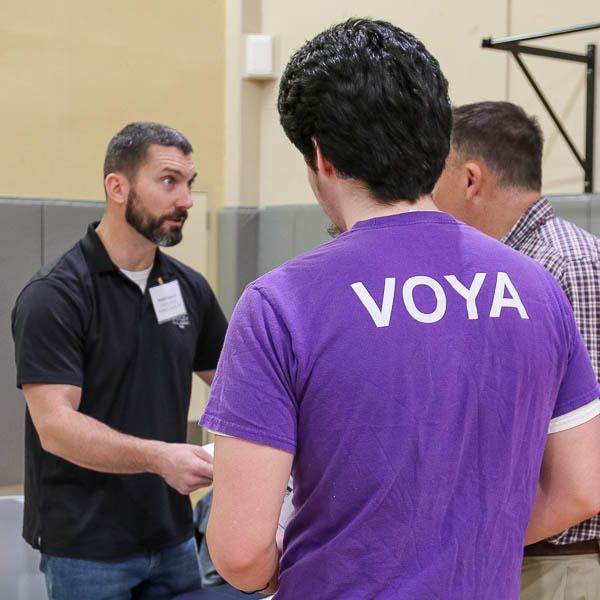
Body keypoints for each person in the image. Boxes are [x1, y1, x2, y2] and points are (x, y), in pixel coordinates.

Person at [200, 19, 600, 599]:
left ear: (321, 156)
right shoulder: (536, 286)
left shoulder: (278, 306)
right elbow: (580, 488)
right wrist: (459, 551)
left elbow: (239, 553)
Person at [11, 122, 228, 600]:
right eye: (169, 181)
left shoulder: (188, 289)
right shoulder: (55, 296)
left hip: (173, 538)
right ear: (117, 187)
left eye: (190, 184)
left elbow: (237, 386)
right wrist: (159, 457)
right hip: (87, 549)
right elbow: (56, 427)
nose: (187, 200)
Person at [433, 100, 600, 600]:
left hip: (560, 562)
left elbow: (583, 465)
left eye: (431, 175)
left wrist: (460, 541)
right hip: (511, 551)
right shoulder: (502, 269)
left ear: (469, 179)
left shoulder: (564, 266)